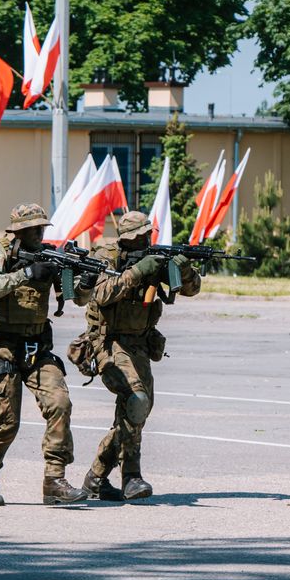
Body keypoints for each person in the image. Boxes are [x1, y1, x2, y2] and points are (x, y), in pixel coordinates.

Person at [0, 203, 91, 506]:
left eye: (42, 228)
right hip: (4, 347)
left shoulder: (48, 256)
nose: (40, 233)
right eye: (35, 229)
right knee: (8, 422)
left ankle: (54, 480)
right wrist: (27, 273)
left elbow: (76, 297)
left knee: (60, 403)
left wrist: (84, 280)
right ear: (20, 231)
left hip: (38, 348)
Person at [75, 211, 201, 501]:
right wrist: (138, 272)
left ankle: (97, 477)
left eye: (149, 235)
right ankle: (131, 476)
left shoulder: (155, 257)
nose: (146, 240)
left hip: (140, 344)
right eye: (140, 237)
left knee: (138, 410)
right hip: (108, 341)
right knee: (136, 401)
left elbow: (192, 290)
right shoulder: (107, 256)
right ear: (126, 239)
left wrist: (183, 271)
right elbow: (101, 294)